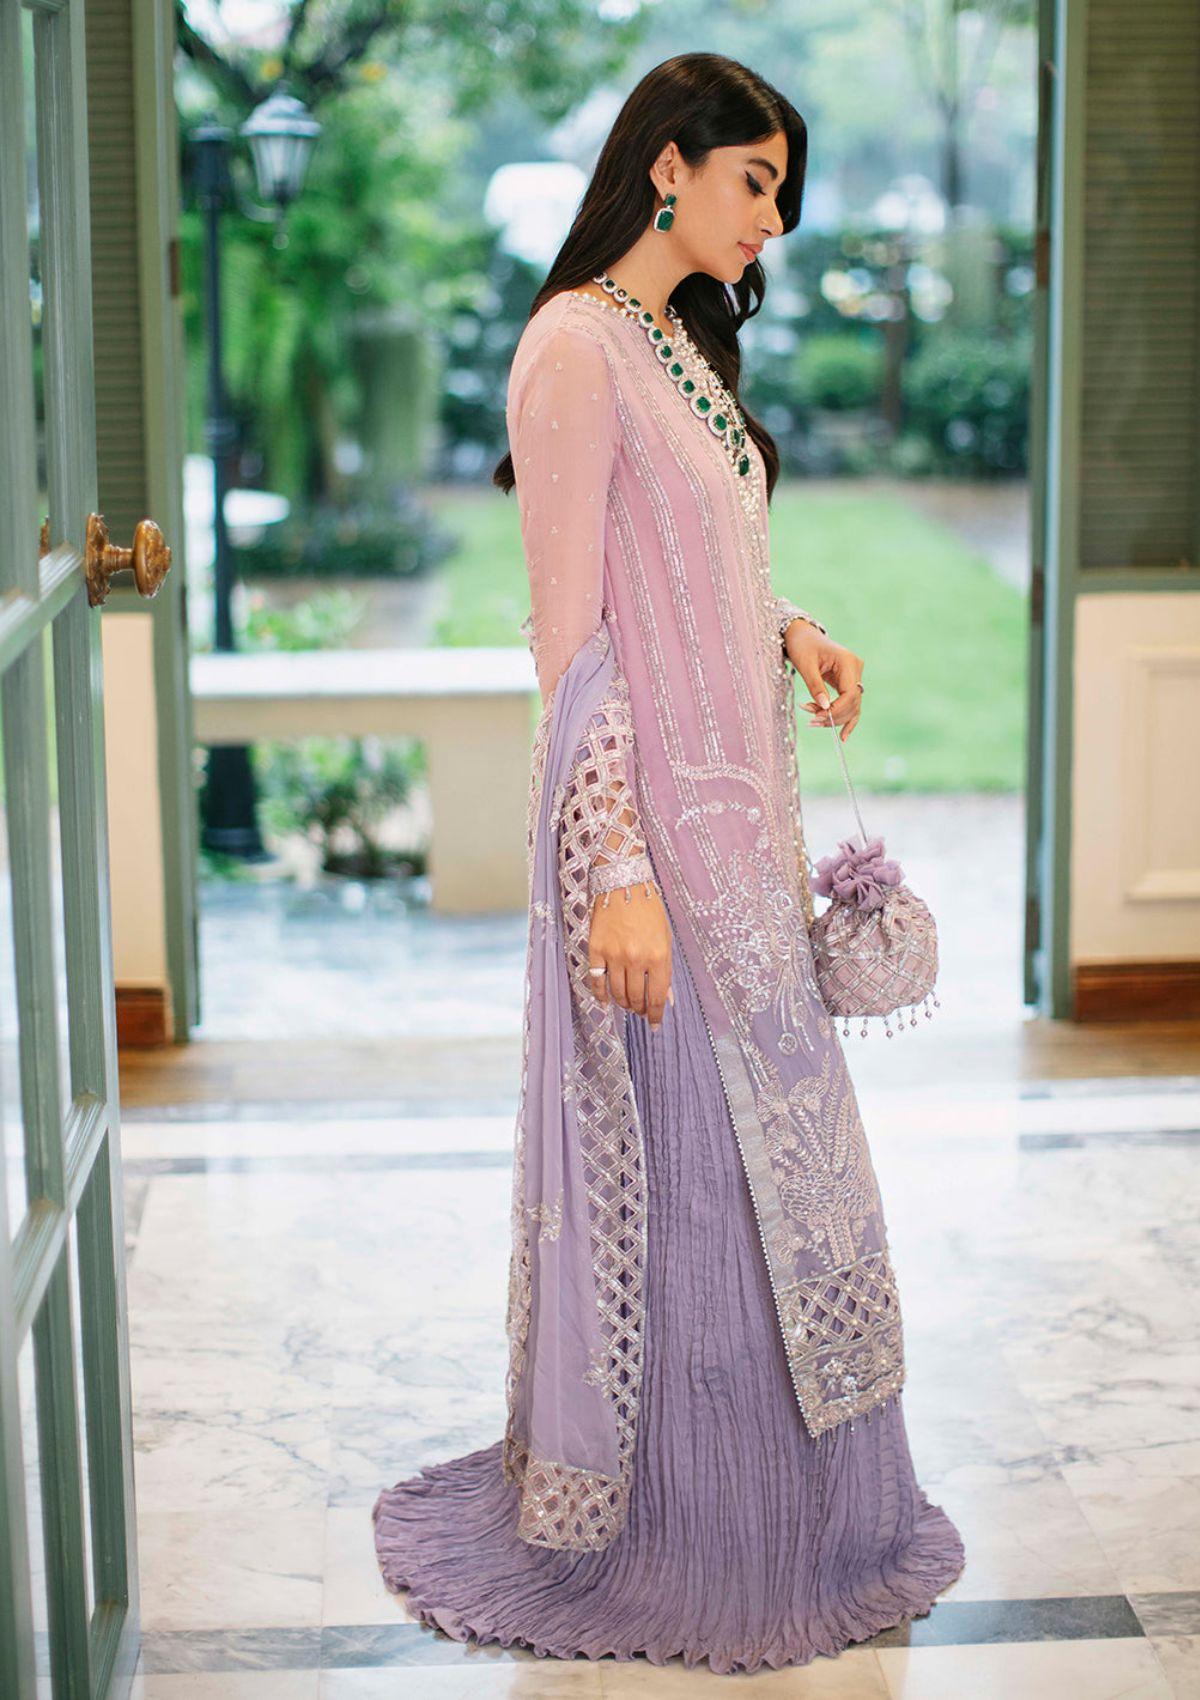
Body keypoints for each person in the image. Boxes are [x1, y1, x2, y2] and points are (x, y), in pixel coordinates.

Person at [373, 51, 966, 1675]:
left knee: (790, 1181)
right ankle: (693, 1535)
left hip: (745, 845)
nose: (773, 219)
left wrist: (792, 626)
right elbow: (570, 637)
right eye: (754, 181)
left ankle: (810, 1516)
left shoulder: (676, 343)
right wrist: (615, 871)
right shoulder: (574, 347)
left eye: (782, 190)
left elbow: (691, 563)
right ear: (667, 167)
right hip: (657, 860)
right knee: (698, 1191)